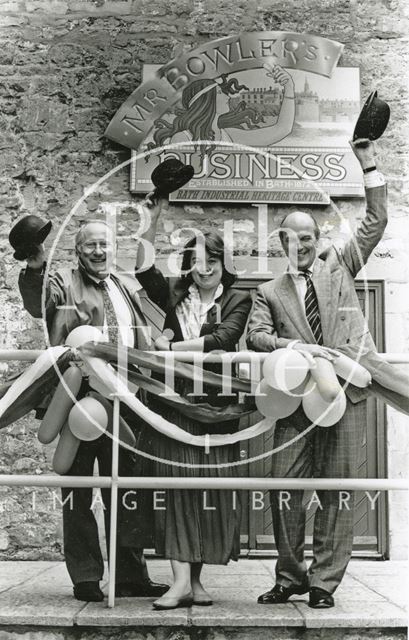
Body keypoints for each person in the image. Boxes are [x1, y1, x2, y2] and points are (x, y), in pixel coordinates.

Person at [246, 139, 387, 609]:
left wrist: (367, 163)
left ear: (317, 239)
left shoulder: (340, 265)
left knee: (337, 492)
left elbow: (376, 221)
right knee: (283, 487)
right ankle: (290, 576)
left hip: (343, 395)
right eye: (292, 237)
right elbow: (255, 337)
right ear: (281, 242)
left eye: (308, 237)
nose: (301, 244)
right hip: (293, 402)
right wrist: (292, 346)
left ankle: (324, 583)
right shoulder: (267, 291)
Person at [18, 221, 169, 602]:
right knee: (79, 488)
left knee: (129, 490)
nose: (99, 251)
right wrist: (36, 268)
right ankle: (86, 576)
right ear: (78, 249)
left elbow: (141, 330)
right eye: (91, 245)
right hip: (79, 401)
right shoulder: (63, 283)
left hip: (127, 399)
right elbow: (39, 302)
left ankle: (130, 574)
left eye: (105, 244)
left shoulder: (121, 284)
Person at [135, 199, 252, 610]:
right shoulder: (172, 294)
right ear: (188, 264)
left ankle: (196, 580)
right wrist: (151, 218)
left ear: (224, 263)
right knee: (176, 490)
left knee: (208, 493)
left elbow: (223, 339)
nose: (204, 268)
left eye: (212, 260)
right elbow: (141, 268)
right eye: (197, 260)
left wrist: (169, 346)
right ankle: (180, 581)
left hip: (218, 412)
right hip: (172, 404)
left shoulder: (239, 298)